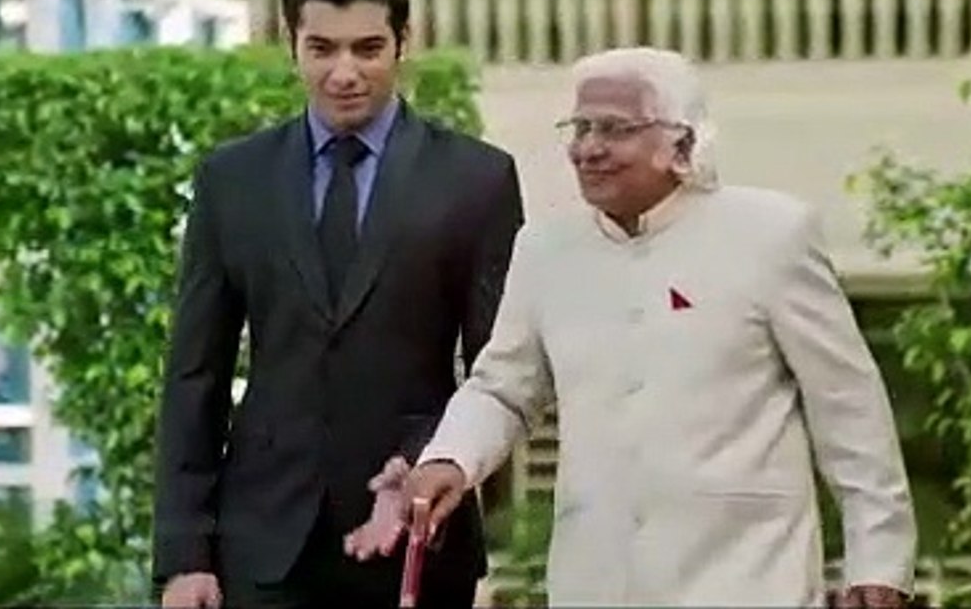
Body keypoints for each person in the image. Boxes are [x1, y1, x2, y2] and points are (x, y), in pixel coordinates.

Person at [355, 47, 918, 607]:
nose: (588, 148)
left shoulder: (770, 236)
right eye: (580, 127)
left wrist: (879, 563)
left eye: (615, 129)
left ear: (683, 146)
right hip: (596, 583)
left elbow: (847, 407)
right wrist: (450, 458)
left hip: (747, 578)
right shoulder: (546, 251)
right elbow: (503, 389)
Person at [151, 0, 524, 609]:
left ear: (404, 42)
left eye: (367, 49)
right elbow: (194, 376)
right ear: (291, 43)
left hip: (418, 537)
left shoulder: (476, 180)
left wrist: (431, 463)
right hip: (260, 546)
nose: (344, 73)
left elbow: (498, 374)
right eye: (322, 49)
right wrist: (184, 557)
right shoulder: (233, 181)